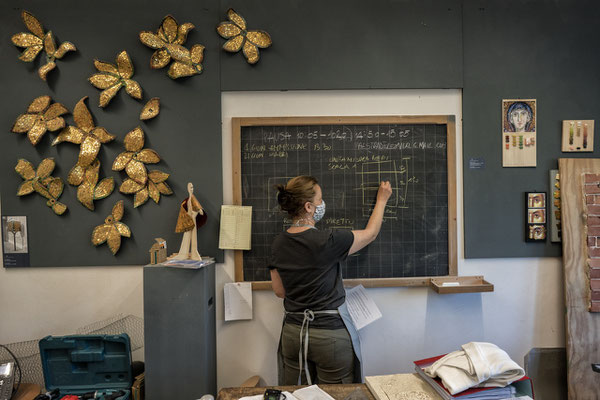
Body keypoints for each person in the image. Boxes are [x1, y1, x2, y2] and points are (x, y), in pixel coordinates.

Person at [269, 175, 392, 385]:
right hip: (330, 337)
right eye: (319, 200)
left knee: (297, 395)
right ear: (308, 207)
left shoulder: (278, 243)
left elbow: (280, 291)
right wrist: (382, 200)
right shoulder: (329, 241)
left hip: (293, 335)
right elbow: (370, 234)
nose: (322, 204)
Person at [174, 182, 207, 260]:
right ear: (188, 188)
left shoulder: (192, 198)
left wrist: (199, 211)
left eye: (192, 187)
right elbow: (184, 208)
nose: (192, 189)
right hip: (188, 220)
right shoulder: (188, 199)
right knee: (186, 236)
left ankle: (194, 253)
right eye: (190, 188)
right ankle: (183, 253)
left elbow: (199, 209)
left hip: (193, 219)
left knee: (194, 237)